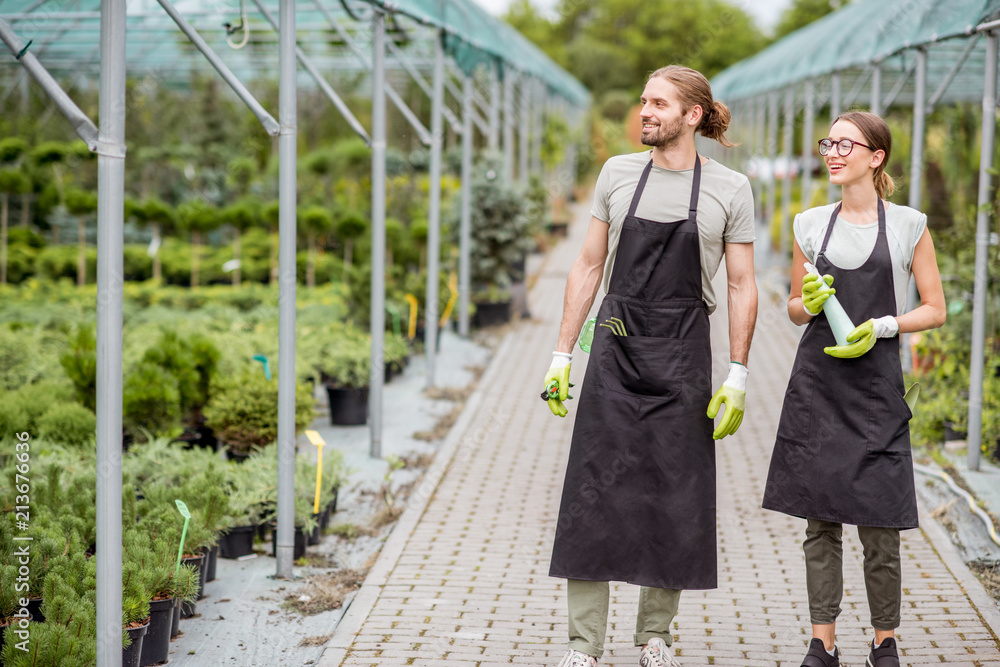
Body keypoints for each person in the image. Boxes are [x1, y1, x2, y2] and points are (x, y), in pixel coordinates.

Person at [542, 65, 758, 667]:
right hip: (614, 347)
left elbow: (742, 286)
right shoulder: (617, 174)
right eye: (642, 101)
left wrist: (738, 373)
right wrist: (561, 355)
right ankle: (583, 645)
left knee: (674, 490)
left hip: (684, 352)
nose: (645, 111)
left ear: (692, 115)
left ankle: (655, 637)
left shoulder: (729, 188)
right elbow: (587, 267)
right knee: (593, 491)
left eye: (658, 103)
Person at [761, 111, 946, 667]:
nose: (833, 152)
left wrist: (886, 325)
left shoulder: (910, 224)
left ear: (876, 157)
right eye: (828, 143)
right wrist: (809, 304)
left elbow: (934, 308)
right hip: (819, 384)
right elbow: (795, 309)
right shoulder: (809, 223)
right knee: (820, 520)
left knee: (881, 522)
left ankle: (883, 640)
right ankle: (824, 641)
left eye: (846, 144)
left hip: (876, 385)